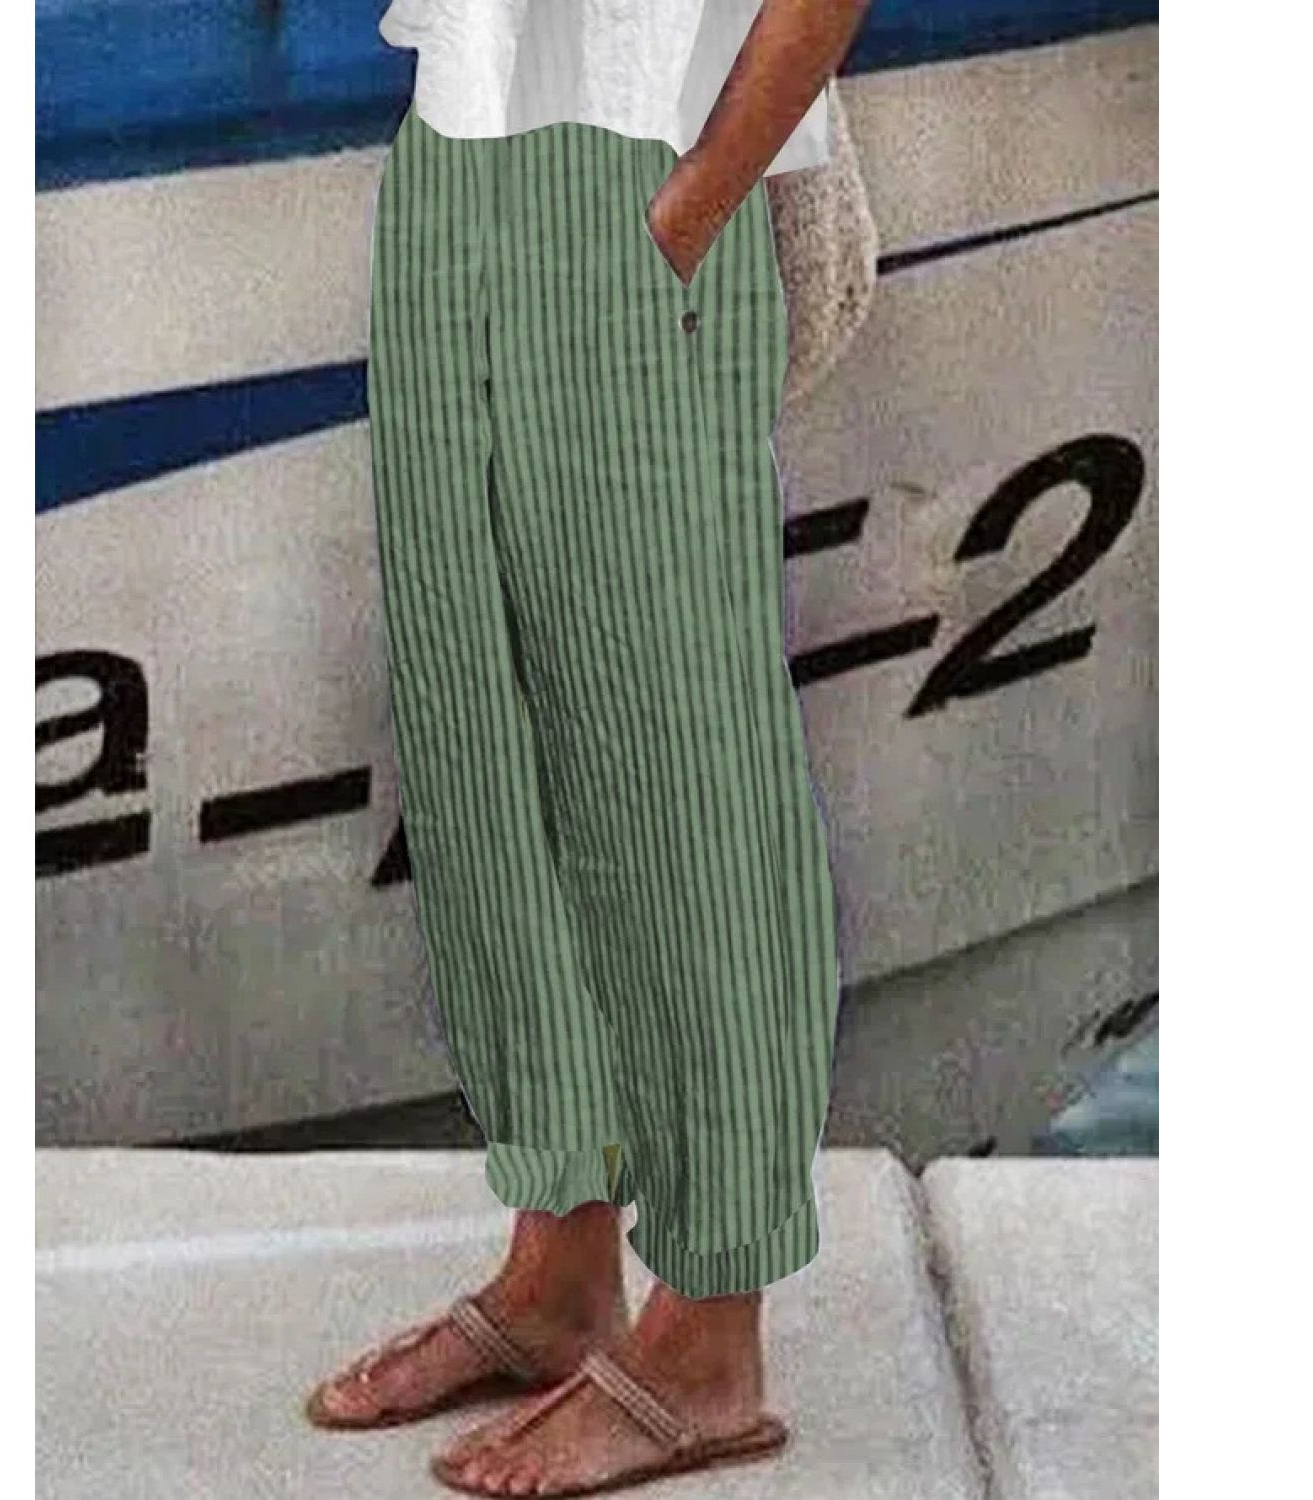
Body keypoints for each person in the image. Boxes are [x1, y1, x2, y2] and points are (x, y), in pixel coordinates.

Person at [308, 2, 875, 1494]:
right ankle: (561, 1265)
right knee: (480, 734)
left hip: (655, 165)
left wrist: (692, 209)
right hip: (455, 143)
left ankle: (711, 1332)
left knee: (681, 755)